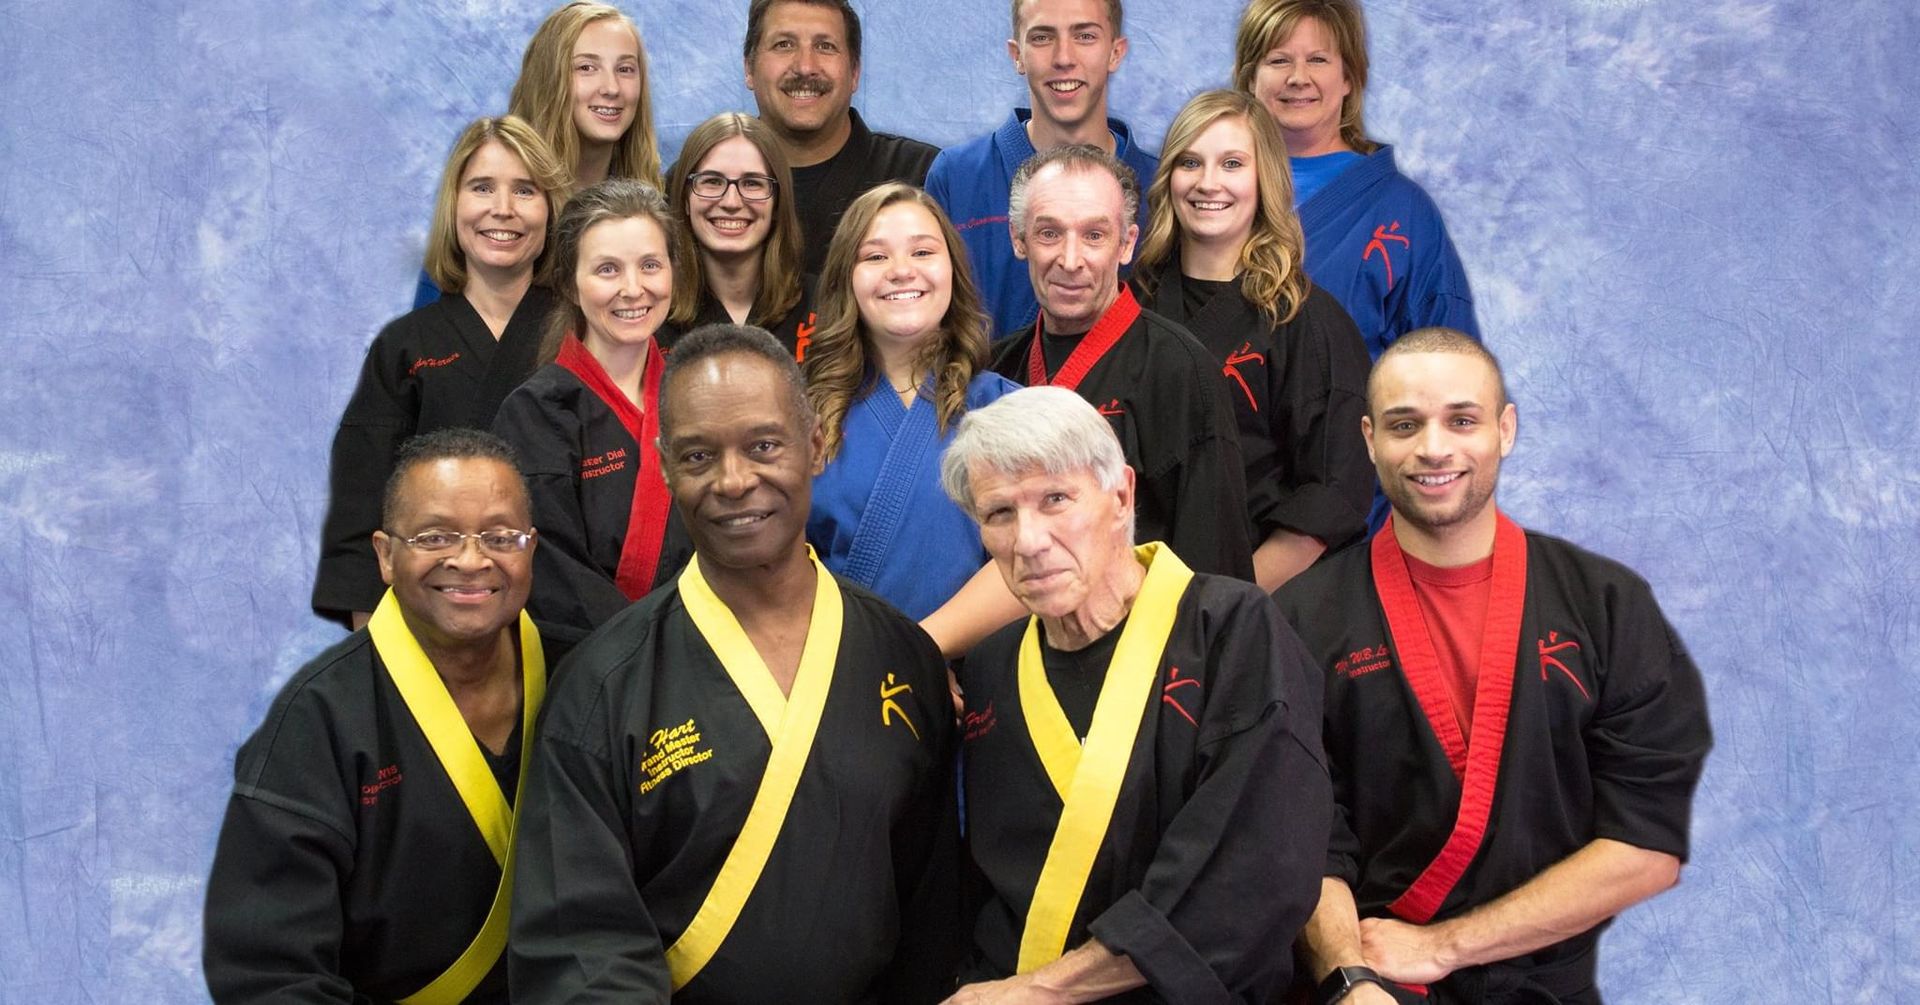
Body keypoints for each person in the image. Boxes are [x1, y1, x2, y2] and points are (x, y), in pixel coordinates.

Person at [510, 324, 960, 1003]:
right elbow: (579, 946)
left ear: (816, 446)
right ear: (665, 466)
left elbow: (930, 912)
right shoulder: (601, 687)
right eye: (698, 456)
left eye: (764, 446)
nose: (734, 480)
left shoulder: (902, 656)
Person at [1274, 329, 1711, 1004]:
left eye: (1462, 420)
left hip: (1544, 987)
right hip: (1371, 983)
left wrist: (1445, 945)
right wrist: (1348, 974)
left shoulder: (1605, 603)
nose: (1433, 448)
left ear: (1505, 429)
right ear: (1369, 439)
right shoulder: (1301, 616)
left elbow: (1646, 843)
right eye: (1404, 425)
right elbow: (1301, 835)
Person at [938, 386, 1330, 1003]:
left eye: (1056, 499)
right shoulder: (991, 667)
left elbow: (1252, 872)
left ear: (1121, 496)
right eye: (999, 514)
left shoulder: (1230, 630)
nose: (1029, 541)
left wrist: (1045, 991)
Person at [207, 429, 571, 1004]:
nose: (471, 560)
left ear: (531, 548)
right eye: (435, 536)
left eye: (500, 536)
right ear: (384, 556)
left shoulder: (590, 678)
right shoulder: (318, 720)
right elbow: (271, 976)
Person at [315, 116, 567, 629]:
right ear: (454, 205)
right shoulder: (403, 347)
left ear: (550, 210)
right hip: (437, 616)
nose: (503, 208)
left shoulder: (583, 333)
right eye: (482, 187)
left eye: (525, 190)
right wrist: (377, 653)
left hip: (567, 614)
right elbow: (360, 513)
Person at [1134, 89, 1373, 592]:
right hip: (1124, 598)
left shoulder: (1308, 323)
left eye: (1232, 163)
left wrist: (1218, 607)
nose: (1208, 182)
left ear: (1266, 177)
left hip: (1249, 602)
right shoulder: (1129, 304)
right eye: (1190, 162)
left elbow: (1329, 495)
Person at [988, 144, 1255, 583]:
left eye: (1094, 235)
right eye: (1049, 233)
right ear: (1019, 240)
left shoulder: (1181, 369)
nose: (1070, 260)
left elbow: (1213, 563)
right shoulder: (997, 370)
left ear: (1127, 243)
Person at [803, 182, 1019, 620]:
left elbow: (1031, 556)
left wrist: (924, 647)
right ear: (846, 278)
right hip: (843, 655)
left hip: (979, 660)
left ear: (953, 269)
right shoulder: (803, 416)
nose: (901, 270)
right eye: (875, 256)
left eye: (922, 252)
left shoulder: (1007, 408)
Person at [492, 179, 692, 632]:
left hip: (709, 648)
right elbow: (551, 574)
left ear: (673, 272)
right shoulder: (534, 414)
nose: (633, 288)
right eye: (607, 270)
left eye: (650, 265)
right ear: (570, 283)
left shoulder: (700, 395)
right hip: (591, 658)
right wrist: (651, 648)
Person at [1232, 0, 1478, 361]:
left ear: (1348, 77)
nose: (1298, 78)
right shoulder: (1203, 192)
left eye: (1318, 60)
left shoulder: (1402, 211)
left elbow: (1450, 366)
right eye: (1279, 60)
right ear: (1251, 78)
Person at [925, 0, 1157, 338]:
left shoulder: (1161, 185)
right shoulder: (957, 176)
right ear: (1017, 55)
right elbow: (931, 328)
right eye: (1042, 37)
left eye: (1085, 36)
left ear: (1115, 52)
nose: (1064, 58)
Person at [414, 1, 661, 306]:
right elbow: (428, 328)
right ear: (548, 79)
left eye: (625, 69)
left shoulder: (658, 210)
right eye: (586, 68)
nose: (611, 88)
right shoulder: (488, 215)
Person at [743, 0, 940, 275]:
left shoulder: (925, 175)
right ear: (749, 68)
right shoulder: (705, 185)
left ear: (855, 73)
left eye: (825, 46)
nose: (805, 67)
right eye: (784, 44)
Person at [662, 113, 819, 359]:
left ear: (777, 203)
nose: (731, 202)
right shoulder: (652, 309)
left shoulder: (824, 306)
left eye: (752, 183)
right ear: (685, 199)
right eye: (712, 181)